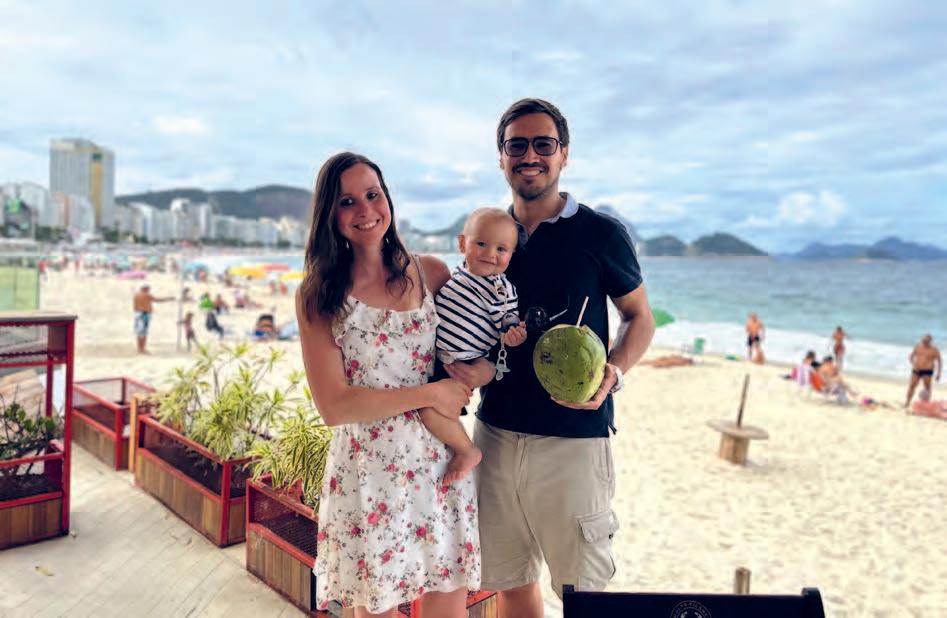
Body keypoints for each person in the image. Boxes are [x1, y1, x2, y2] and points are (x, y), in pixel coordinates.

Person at [443, 99, 654, 615]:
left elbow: (639, 317)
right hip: (493, 433)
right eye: (517, 144)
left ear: (563, 155)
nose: (530, 155)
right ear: (501, 157)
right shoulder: (490, 237)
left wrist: (614, 372)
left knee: (582, 593)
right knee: (511, 582)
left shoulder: (601, 234)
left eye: (544, 144)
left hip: (574, 441)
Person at [296, 152, 479, 617]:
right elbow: (334, 406)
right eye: (347, 201)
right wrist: (429, 394)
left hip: (440, 462)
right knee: (372, 608)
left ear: (388, 199)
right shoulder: (319, 295)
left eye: (373, 195)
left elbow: (474, 341)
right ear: (329, 216)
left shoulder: (431, 273)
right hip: (369, 472)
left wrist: (474, 376)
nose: (365, 210)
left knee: (448, 598)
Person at [425, 207, 526, 484]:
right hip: (441, 357)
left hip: (463, 362)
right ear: (462, 244)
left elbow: (506, 319)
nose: (490, 254)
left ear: (511, 256)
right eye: (481, 243)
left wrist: (511, 335)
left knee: (430, 410)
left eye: (502, 249)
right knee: (431, 409)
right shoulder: (461, 274)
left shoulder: (499, 289)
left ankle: (466, 450)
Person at [132, 284, 173, 354]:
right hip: (144, 314)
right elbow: (157, 300)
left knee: (139, 333)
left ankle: (140, 348)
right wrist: (168, 299)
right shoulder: (146, 295)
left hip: (138, 314)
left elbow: (134, 306)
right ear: (145, 289)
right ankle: (142, 349)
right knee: (144, 333)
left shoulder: (136, 295)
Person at [905, 334, 942, 407]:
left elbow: (939, 361)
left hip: (927, 371)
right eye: (923, 340)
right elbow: (911, 356)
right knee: (912, 386)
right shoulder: (918, 347)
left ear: (930, 341)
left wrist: (938, 374)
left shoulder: (934, 350)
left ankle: (926, 404)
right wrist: (913, 364)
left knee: (927, 388)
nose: (924, 342)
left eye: (926, 340)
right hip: (916, 370)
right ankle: (907, 402)